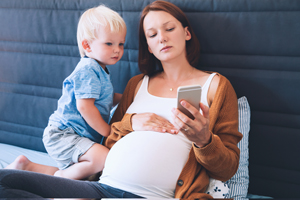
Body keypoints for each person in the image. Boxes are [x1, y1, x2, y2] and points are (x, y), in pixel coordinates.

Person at [0, 1, 242, 199]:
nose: (162, 38)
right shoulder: (137, 84)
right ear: (147, 44)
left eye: (170, 29)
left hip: (153, 195)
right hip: (101, 188)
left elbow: (227, 167)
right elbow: (110, 137)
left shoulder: (216, 86)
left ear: (186, 33)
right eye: (152, 34)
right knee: (5, 180)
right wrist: (131, 122)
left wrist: (204, 140)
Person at [5, 5, 126, 180]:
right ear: (87, 45)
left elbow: (105, 98)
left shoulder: (101, 70)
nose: (117, 49)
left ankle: (26, 166)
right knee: (102, 158)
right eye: (109, 43)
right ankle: (59, 180)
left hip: (75, 135)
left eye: (121, 44)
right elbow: (85, 107)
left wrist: (129, 98)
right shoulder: (89, 68)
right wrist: (108, 131)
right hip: (63, 134)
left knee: (88, 174)